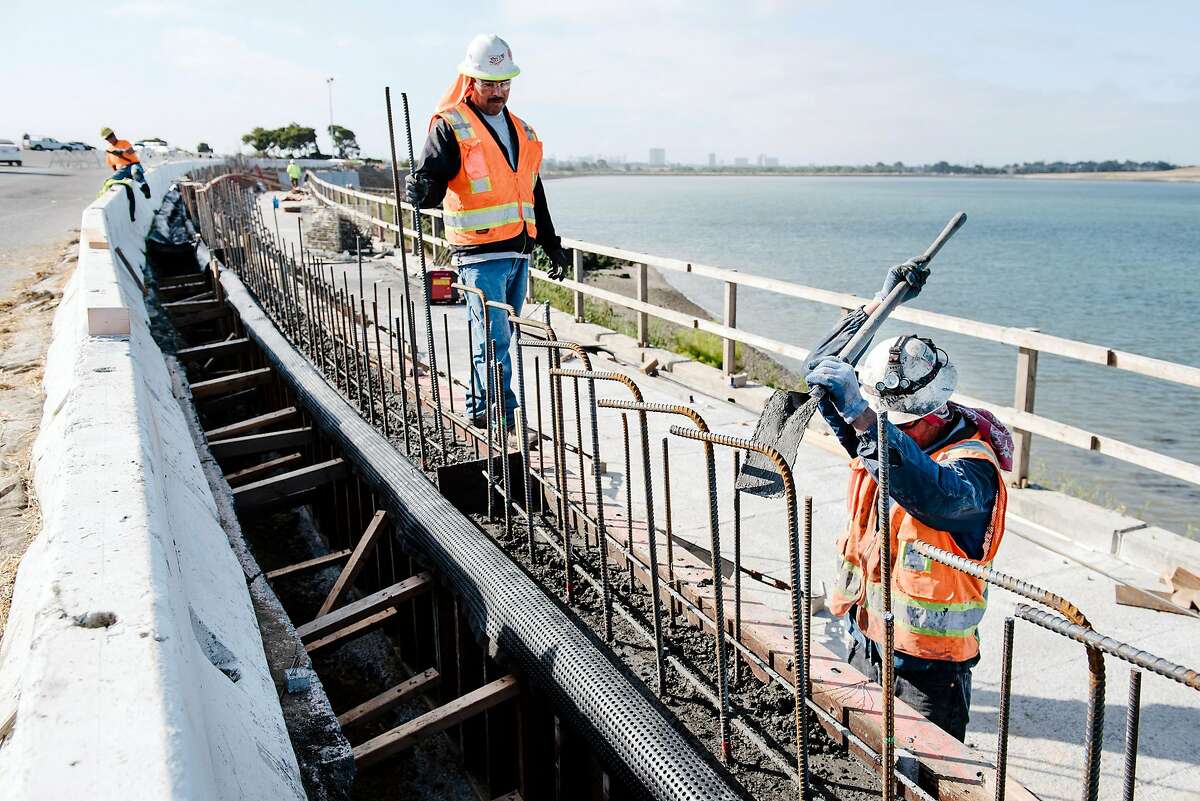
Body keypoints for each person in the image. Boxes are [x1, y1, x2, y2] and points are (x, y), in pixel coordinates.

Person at [803, 262, 1013, 742]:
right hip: (865, 638)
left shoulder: (972, 472)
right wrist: (879, 306)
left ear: (934, 413)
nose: (881, 426)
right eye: (877, 416)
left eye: (894, 421)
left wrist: (864, 417)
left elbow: (931, 494)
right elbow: (820, 369)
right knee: (860, 754)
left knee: (924, 772)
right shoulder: (880, 439)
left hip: (929, 671)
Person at [407, 33, 569, 435]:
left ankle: (480, 409)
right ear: (471, 80)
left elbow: (533, 191)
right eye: (489, 83)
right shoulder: (451, 125)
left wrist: (551, 244)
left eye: (504, 83)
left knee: (497, 335)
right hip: (479, 253)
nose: (498, 92)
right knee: (494, 338)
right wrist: (422, 192)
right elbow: (433, 184)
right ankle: (505, 418)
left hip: (518, 251)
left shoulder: (523, 131)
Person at [100, 127, 150, 198]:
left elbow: (131, 151)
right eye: (108, 138)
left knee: (136, 172)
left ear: (114, 134)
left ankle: (144, 188)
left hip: (133, 165)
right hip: (122, 170)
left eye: (111, 136)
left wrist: (122, 152)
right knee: (109, 181)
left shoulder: (124, 142)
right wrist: (119, 174)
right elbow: (113, 165)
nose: (110, 139)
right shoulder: (109, 150)